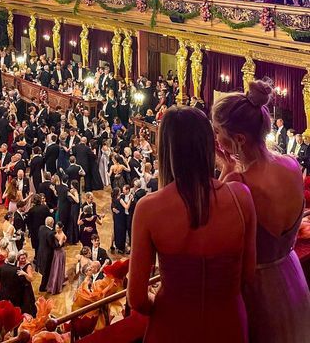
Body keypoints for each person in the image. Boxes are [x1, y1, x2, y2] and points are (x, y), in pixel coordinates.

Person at [127, 106, 256, 343]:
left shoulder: (148, 208)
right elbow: (248, 275)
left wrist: (164, 304)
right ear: (208, 146)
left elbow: (136, 299)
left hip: (173, 325)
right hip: (228, 323)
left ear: (166, 150)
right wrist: (229, 168)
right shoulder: (241, 197)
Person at [213, 80, 310, 343]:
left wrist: (225, 168)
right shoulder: (291, 165)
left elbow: (210, 226)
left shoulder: (238, 183)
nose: (216, 140)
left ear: (239, 139)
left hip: (258, 291)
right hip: (292, 277)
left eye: (218, 132)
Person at [38, 216, 58, 292]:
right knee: (46, 272)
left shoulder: (41, 228)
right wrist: (60, 244)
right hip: (47, 255)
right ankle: (42, 287)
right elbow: (53, 245)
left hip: (41, 251)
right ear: (51, 223)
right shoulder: (50, 233)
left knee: (45, 271)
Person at [46, 221, 67, 294]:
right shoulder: (55, 233)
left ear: (61, 228)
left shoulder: (62, 235)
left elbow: (59, 246)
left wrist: (54, 237)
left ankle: (56, 287)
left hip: (59, 253)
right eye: (55, 227)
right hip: (56, 253)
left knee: (57, 269)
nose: (56, 229)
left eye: (58, 228)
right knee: (54, 268)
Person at [17, 250, 36, 316]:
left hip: (26, 288)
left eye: (25, 258)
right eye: (21, 258)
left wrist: (24, 274)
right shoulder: (17, 263)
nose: (23, 260)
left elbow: (31, 279)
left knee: (28, 305)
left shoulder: (28, 266)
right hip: (19, 287)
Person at [111, 187, 127, 254]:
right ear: (118, 192)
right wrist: (130, 200)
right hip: (121, 217)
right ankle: (121, 247)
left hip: (116, 217)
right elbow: (126, 207)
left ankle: (116, 245)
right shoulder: (120, 199)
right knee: (122, 232)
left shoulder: (113, 199)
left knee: (116, 231)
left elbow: (113, 209)